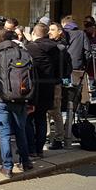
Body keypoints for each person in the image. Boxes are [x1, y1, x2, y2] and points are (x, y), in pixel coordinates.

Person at [0, 29, 33, 179]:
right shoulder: (25, 54)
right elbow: (33, 79)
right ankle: (26, 162)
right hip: (21, 99)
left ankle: (7, 167)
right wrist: (31, 100)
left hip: (1, 100)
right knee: (20, 131)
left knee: (4, 133)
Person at [25, 23, 61, 157]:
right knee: (41, 118)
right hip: (49, 87)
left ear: (34, 33)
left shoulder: (30, 48)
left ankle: (31, 148)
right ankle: (39, 149)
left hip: (33, 87)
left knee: (28, 118)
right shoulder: (56, 48)